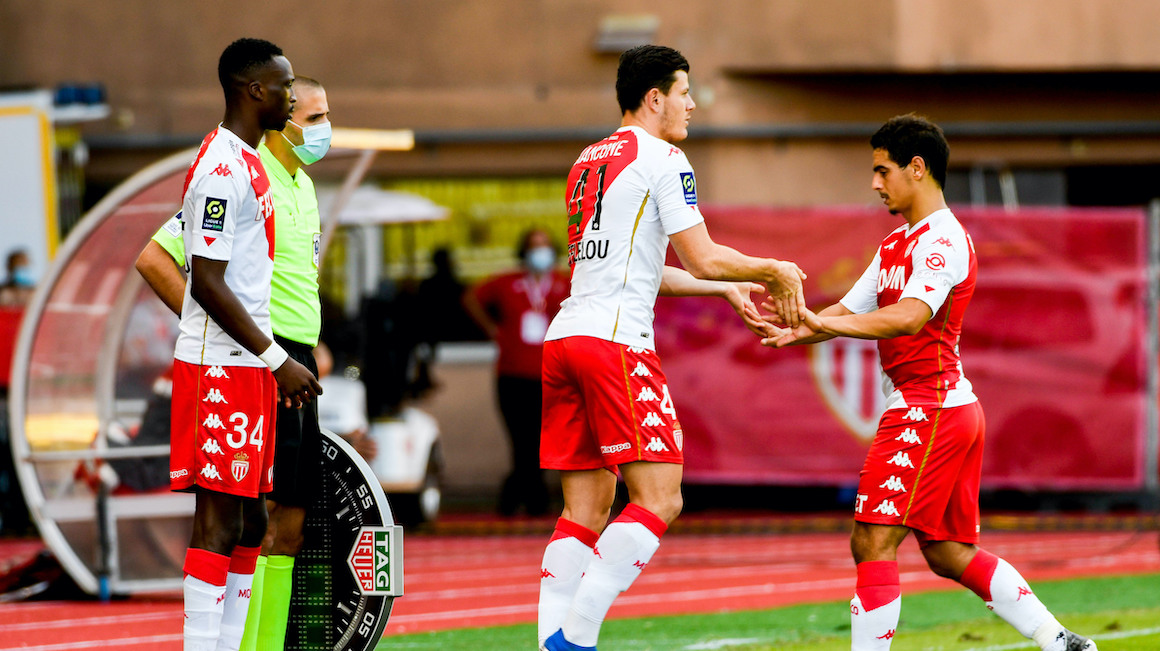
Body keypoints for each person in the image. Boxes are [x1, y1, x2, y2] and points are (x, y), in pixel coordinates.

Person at [760, 114, 1096, 651]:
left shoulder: (943, 238)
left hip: (928, 406)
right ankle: (1060, 641)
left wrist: (824, 325)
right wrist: (796, 328)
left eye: (882, 170)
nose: (875, 183)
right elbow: (847, 310)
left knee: (872, 540)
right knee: (947, 551)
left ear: (917, 168)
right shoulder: (895, 243)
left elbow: (910, 316)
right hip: (945, 407)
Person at [537, 44, 807, 651]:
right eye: (685, 92)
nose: (692, 104)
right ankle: (573, 639)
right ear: (655, 97)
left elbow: (642, 267)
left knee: (585, 511)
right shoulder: (664, 157)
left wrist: (725, 288)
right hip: (615, 345)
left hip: (566, 339)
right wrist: (772, 269)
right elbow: (702, 255)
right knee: (660, 498)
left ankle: (550, 640)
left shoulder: (588, 160)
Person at [137, 71, 334, 650]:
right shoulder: (238, 171)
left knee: (282, 521)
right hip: (259, 357)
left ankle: (258, 646)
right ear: (280, 112)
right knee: (239, 519)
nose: (325, 129)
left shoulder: (300, 184)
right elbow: (156, 259)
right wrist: (222, 331)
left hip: (292, 358)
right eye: (314, 117)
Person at [463, 228, 570, 516]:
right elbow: (471, 298)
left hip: (550, 374)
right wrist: (491, 328)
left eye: (544, 245)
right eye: (534, 246)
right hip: (511, 375)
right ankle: (531, 498)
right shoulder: (508, 282)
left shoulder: (563, 282)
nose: (539, 252)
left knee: (540, 439)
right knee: (520, 438)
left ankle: (518, 496)